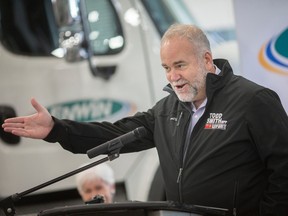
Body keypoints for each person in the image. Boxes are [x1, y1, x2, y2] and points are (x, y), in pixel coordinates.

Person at [2, 23, 288, 216]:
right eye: (166, 67)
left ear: (206, 59)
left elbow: (284, 170)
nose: (172, 77)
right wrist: (56, 129)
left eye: (180, 65)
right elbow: (111, 133)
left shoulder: (253, 101)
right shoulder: (166, 111)